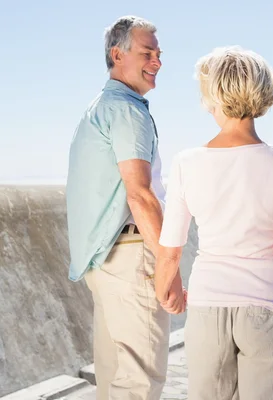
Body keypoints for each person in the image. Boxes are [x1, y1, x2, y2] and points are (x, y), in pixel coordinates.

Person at [154, 46, 273, 399]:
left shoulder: (186, 163)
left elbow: (170, 253)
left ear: (212, 98)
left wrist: (169, 289)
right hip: (271, 311)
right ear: (263, 93)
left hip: (207, 307)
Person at [65, 16, 184, 400]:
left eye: (159, 54)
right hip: (132, 261)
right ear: (117, 55)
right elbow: (141, 196)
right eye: (147, 53)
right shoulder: (128, 111)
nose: (158, 62)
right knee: (139, 383)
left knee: (114, 381)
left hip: (105, 264)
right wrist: (169, 267)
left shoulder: (98, 108)